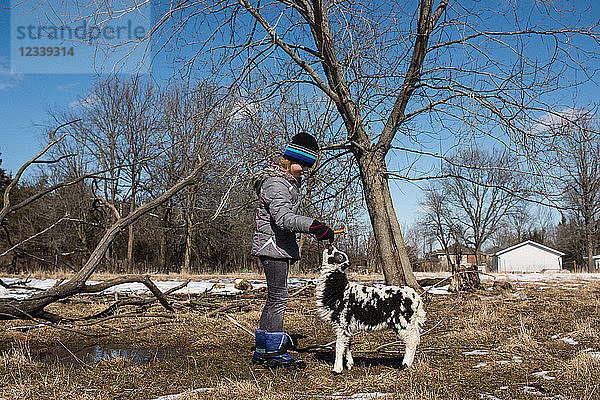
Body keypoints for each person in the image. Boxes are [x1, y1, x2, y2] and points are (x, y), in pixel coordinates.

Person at [250, 132, 334, 370]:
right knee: (279, 299)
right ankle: (274, 353)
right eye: (304, 164)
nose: (306, 169)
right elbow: (283, 218)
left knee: (273, 299)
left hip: (276, 246)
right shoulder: (277, 183)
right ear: (291, 159)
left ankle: (262, 350)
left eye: (309, 165)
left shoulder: (286, 182)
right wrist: (314, 226)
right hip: (273, 246)